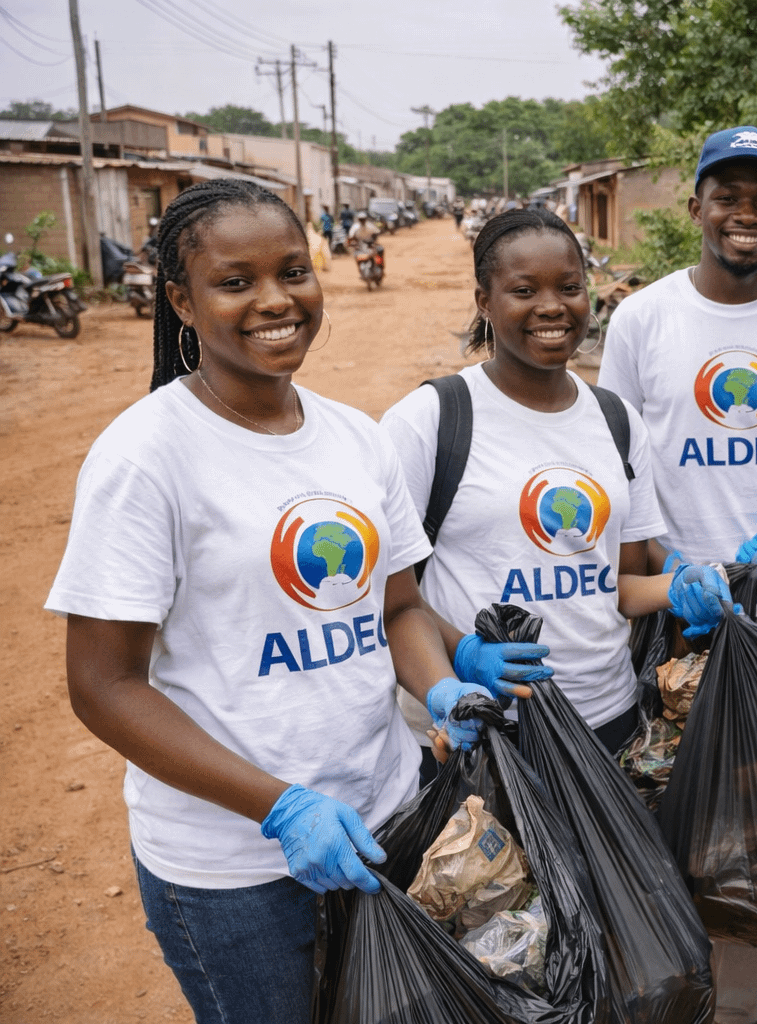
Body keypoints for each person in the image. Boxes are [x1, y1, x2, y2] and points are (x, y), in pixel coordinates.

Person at [43, 179, 510, 1024]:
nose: (275, 300)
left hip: (389, 820)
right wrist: (281, 807)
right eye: (236, 282)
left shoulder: (355, 438)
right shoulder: (145, 457)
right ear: (181, 302)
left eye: (294, 272)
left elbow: (398, 609)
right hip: (236, 875)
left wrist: (440, 684)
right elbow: (103, 686)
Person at [598, 124, 757, 1024]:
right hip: (664, 608)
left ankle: (738, 1004)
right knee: (653, 795)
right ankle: (668, 985)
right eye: (728, 197)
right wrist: (667, 565)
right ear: (697, 207)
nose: (747, 214)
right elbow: (611, 456)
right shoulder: (644, 319)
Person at [381, 207, 734, 776]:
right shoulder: (430, 419)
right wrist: (460, 660)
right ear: (484, 301)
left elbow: (619, 584)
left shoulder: (616, 420)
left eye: (569, 288)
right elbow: (388, 596)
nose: (552, 307)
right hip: (481, 732)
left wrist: (678, 586)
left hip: (607, 718)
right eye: (524, 291)